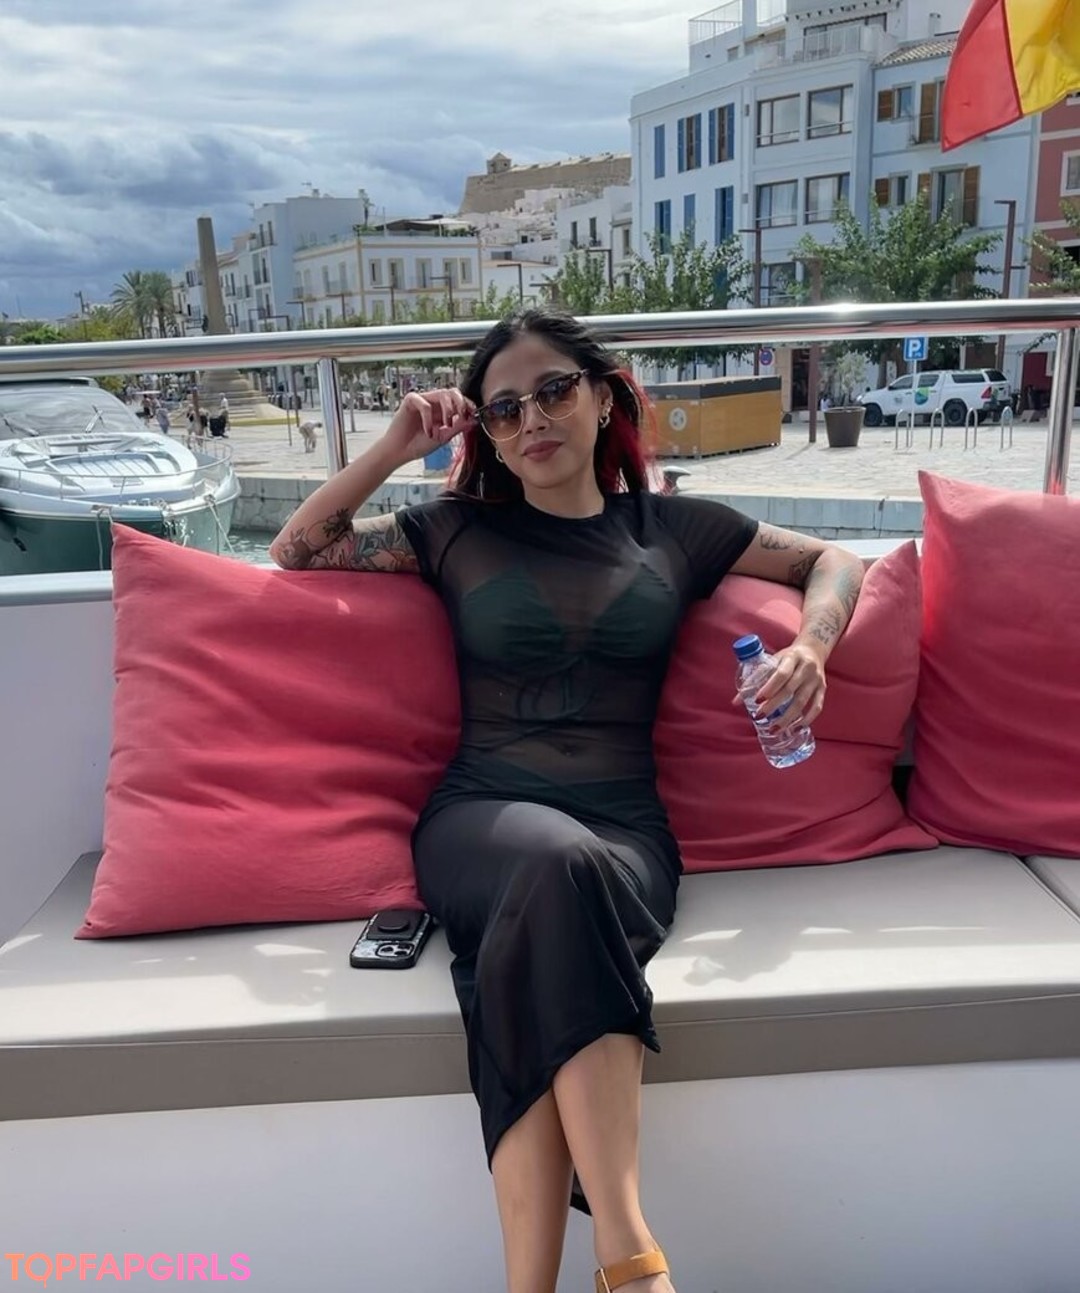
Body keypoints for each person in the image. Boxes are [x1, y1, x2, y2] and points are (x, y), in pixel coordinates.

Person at [269, 308, 864, 1293]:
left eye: (552, 390)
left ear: (602, 395)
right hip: (480, 820)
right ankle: (629, 1253)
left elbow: (830, 561)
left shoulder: (674, 528)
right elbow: (301, 546)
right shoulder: (455, 529)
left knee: (545, 923)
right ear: (489, 436)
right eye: (503, 410)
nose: (532, 419)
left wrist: (812, 647)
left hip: (627, 837)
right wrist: (397, 445)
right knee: (554, 868)